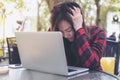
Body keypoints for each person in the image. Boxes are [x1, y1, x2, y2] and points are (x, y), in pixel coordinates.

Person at [49, 1, 106, 70]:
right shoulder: (58, 35)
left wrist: (79, 30)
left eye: (69, 30)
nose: (65, 36)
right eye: (61, 32)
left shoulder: (97, 33)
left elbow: (91, 64)